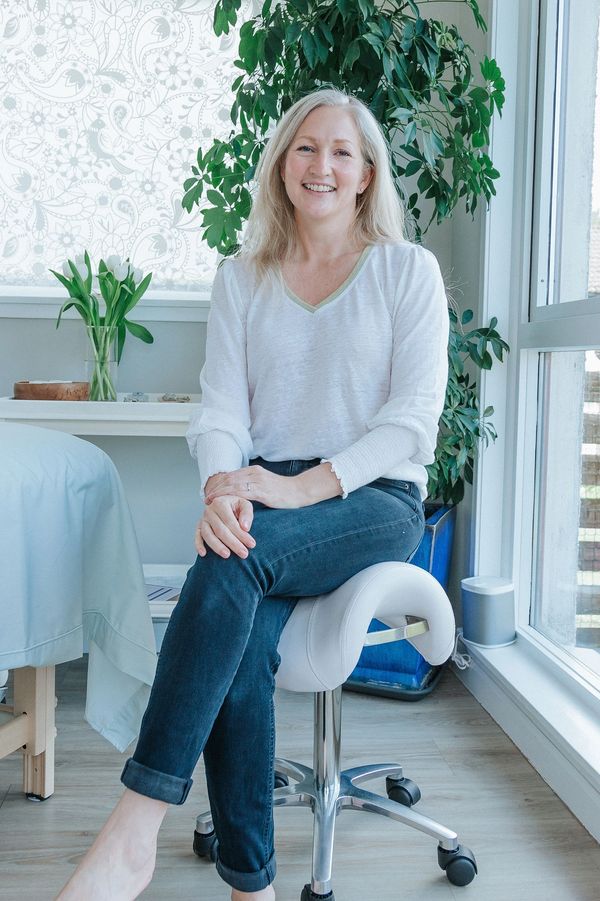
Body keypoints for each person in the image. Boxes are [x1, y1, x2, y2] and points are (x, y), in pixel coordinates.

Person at [56, 86, 449, 901]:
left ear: (368, 174)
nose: (323, 165)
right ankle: (251, 886)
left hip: (372, 496)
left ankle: (133, 830)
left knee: (228, 568)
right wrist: (222, 489)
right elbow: (222, 410)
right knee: (233, 619)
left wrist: (297, 487)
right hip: (266, 492)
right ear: (282, 164)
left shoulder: (407, 272)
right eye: (306, 148)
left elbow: (410, 425)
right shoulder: (244, 276)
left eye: (342, 151)